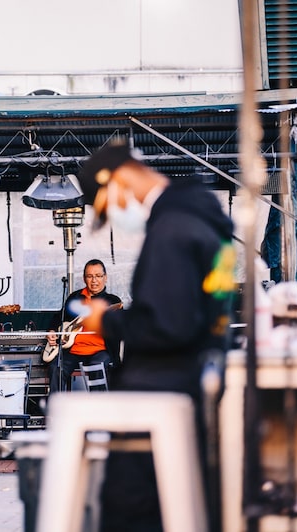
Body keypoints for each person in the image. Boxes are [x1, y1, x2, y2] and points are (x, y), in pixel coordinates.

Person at [76, 140, 236, 532]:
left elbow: (167, 325)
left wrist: (105, 322)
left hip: (159, 396)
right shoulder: (201, 221)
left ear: (122, 178)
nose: (113, 216)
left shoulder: (172, 230)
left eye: (106, 205)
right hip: (193, 388)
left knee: (134, 508)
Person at [45, 259, 121, 393]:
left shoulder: (112, 301)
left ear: (105, 278)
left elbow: (118, 327)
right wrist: (51, 330)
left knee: (97, 367)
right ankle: (56, 409)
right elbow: (59, 317)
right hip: (73, 350)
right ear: (84, 279)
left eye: (98, 276)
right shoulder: (75, 298)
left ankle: (98, 410)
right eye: (90, 276)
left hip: (100, 351)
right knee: (56, 367)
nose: (94, 280)